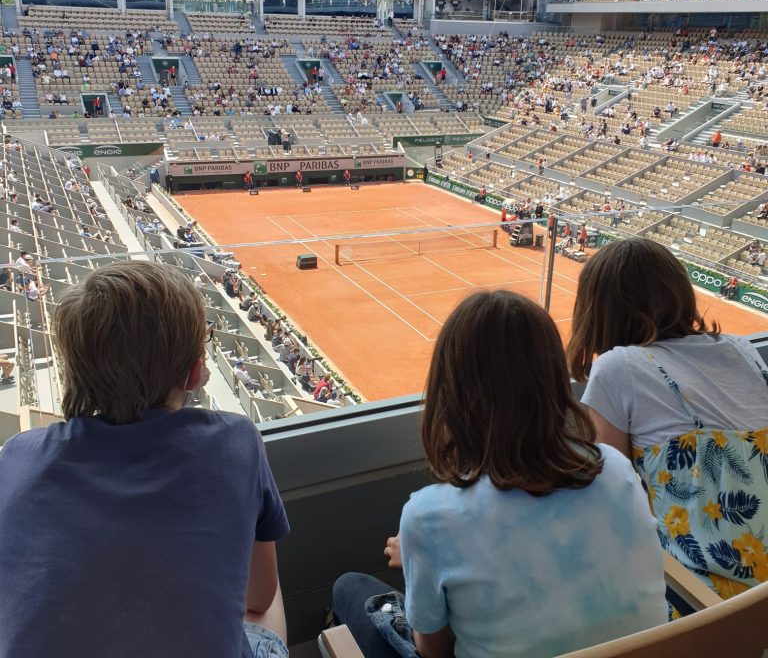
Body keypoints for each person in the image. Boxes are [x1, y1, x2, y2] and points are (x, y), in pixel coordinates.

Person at [332, 291, 666, 658]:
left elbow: (432, 650)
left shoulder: (427, 517)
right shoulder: (616, 466)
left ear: (452, 393)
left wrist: (417, 557)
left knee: (350, 590)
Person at [0, 262, 290, 657]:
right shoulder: (237, 441)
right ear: (193, 374)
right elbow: (258, 596)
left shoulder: (17, 454)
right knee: (269, 605)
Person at [568, 239, 768, 598]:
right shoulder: (741, 348)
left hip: (707, 599)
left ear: (598, 309)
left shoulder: (618, 366)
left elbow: (613, 495)